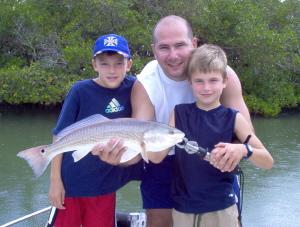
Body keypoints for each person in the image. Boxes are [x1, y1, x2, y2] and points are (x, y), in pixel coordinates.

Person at [95, 15, 253, 227]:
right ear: (153, 50)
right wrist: (117, 157)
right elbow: (139, 143)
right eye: (164, 48)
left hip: (211, 157)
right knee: (159, 222)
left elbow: (248, 138)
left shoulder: (222, 75)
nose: (173, 55)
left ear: (194, 44)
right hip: (163, 157)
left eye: (180, 45)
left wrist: (235, 152)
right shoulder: (145, 83)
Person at [150, 44, 274, 227]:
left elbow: (268, 161)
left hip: (222, 210)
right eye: (199, 81)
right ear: (190, 82)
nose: (206, 87)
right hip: (183, 209)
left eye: (213, 80)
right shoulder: (178, 114)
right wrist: (139, 140)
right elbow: (156, 157)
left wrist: (243, 149)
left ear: (225, 81)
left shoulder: (234, 118)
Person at [47, 34, 142, 227]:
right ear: (94, 64)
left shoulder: (135, 87)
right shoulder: (80, 91)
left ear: (129, 64)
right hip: (71, 183)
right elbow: (59, 135)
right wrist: (55, 181)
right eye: (104, 64)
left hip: (105, 186)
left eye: (118, 63)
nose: (112, 70)